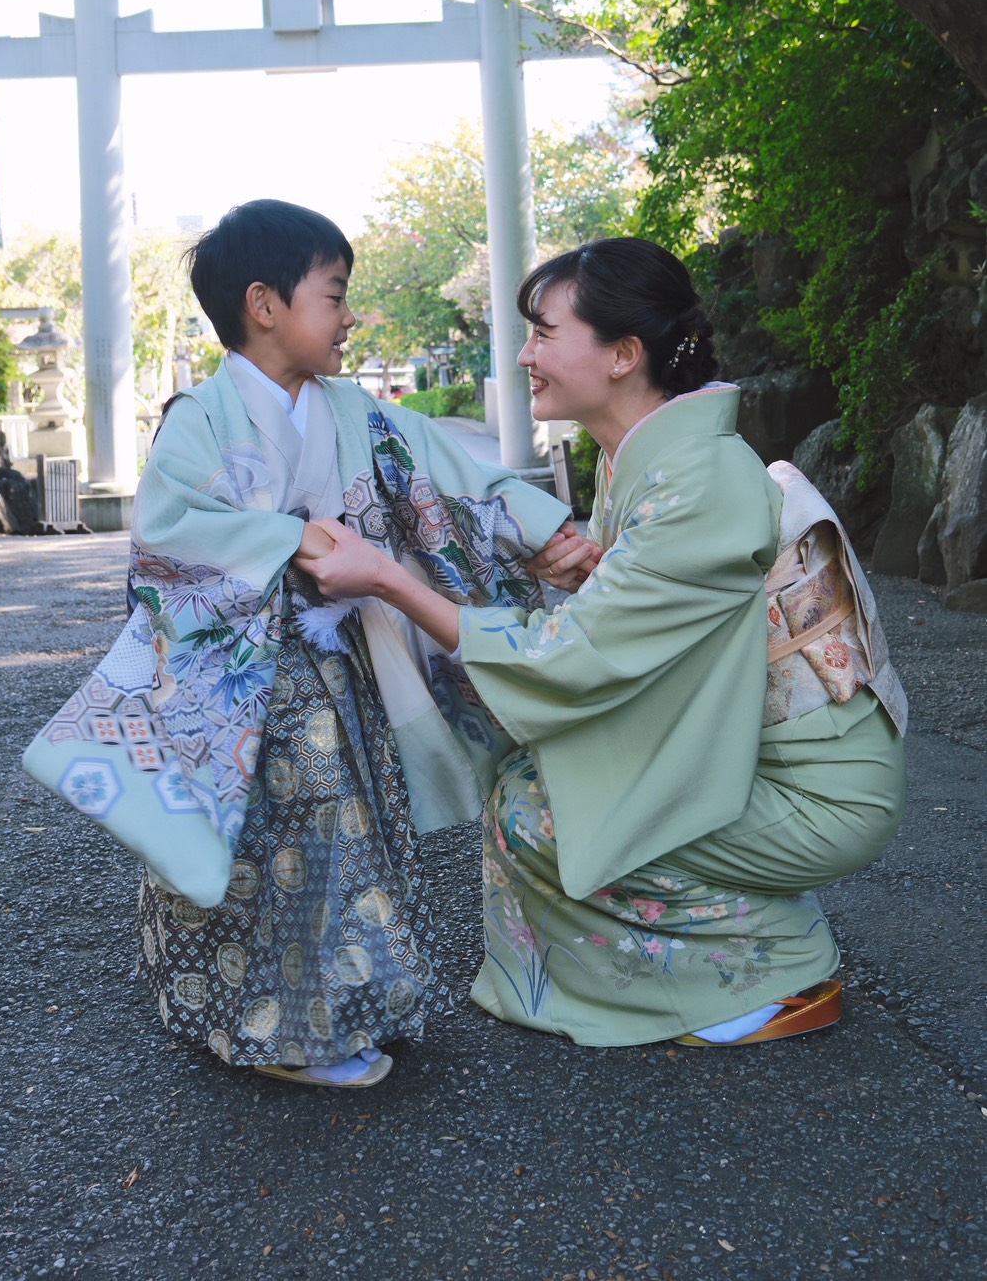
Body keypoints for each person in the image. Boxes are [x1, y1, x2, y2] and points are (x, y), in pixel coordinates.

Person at [298, 237, 908, 1048]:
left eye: (545, 333)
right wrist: (589, 578)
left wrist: (389, 578)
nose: (524, 354)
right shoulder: (653, 462)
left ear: (623, 354)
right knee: (530, 774)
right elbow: (665, 621)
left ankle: (767, 971)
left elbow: (569, 662)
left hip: (816, 793)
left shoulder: (696, 480)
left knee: (544, 813)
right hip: (748, 754)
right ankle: (747, 921)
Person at [24, 200, 572, 1087]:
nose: (350, 316)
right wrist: (291, 539)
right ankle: (279, 1027)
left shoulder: (357, 410)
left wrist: (544, 531)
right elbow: (168, 534)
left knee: (347, 826)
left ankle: (337, 1009)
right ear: (264, 303)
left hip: (338, 660)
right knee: (278, 835)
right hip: (243, 675)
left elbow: (452, 476)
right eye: (336, 294)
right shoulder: (199, 416)